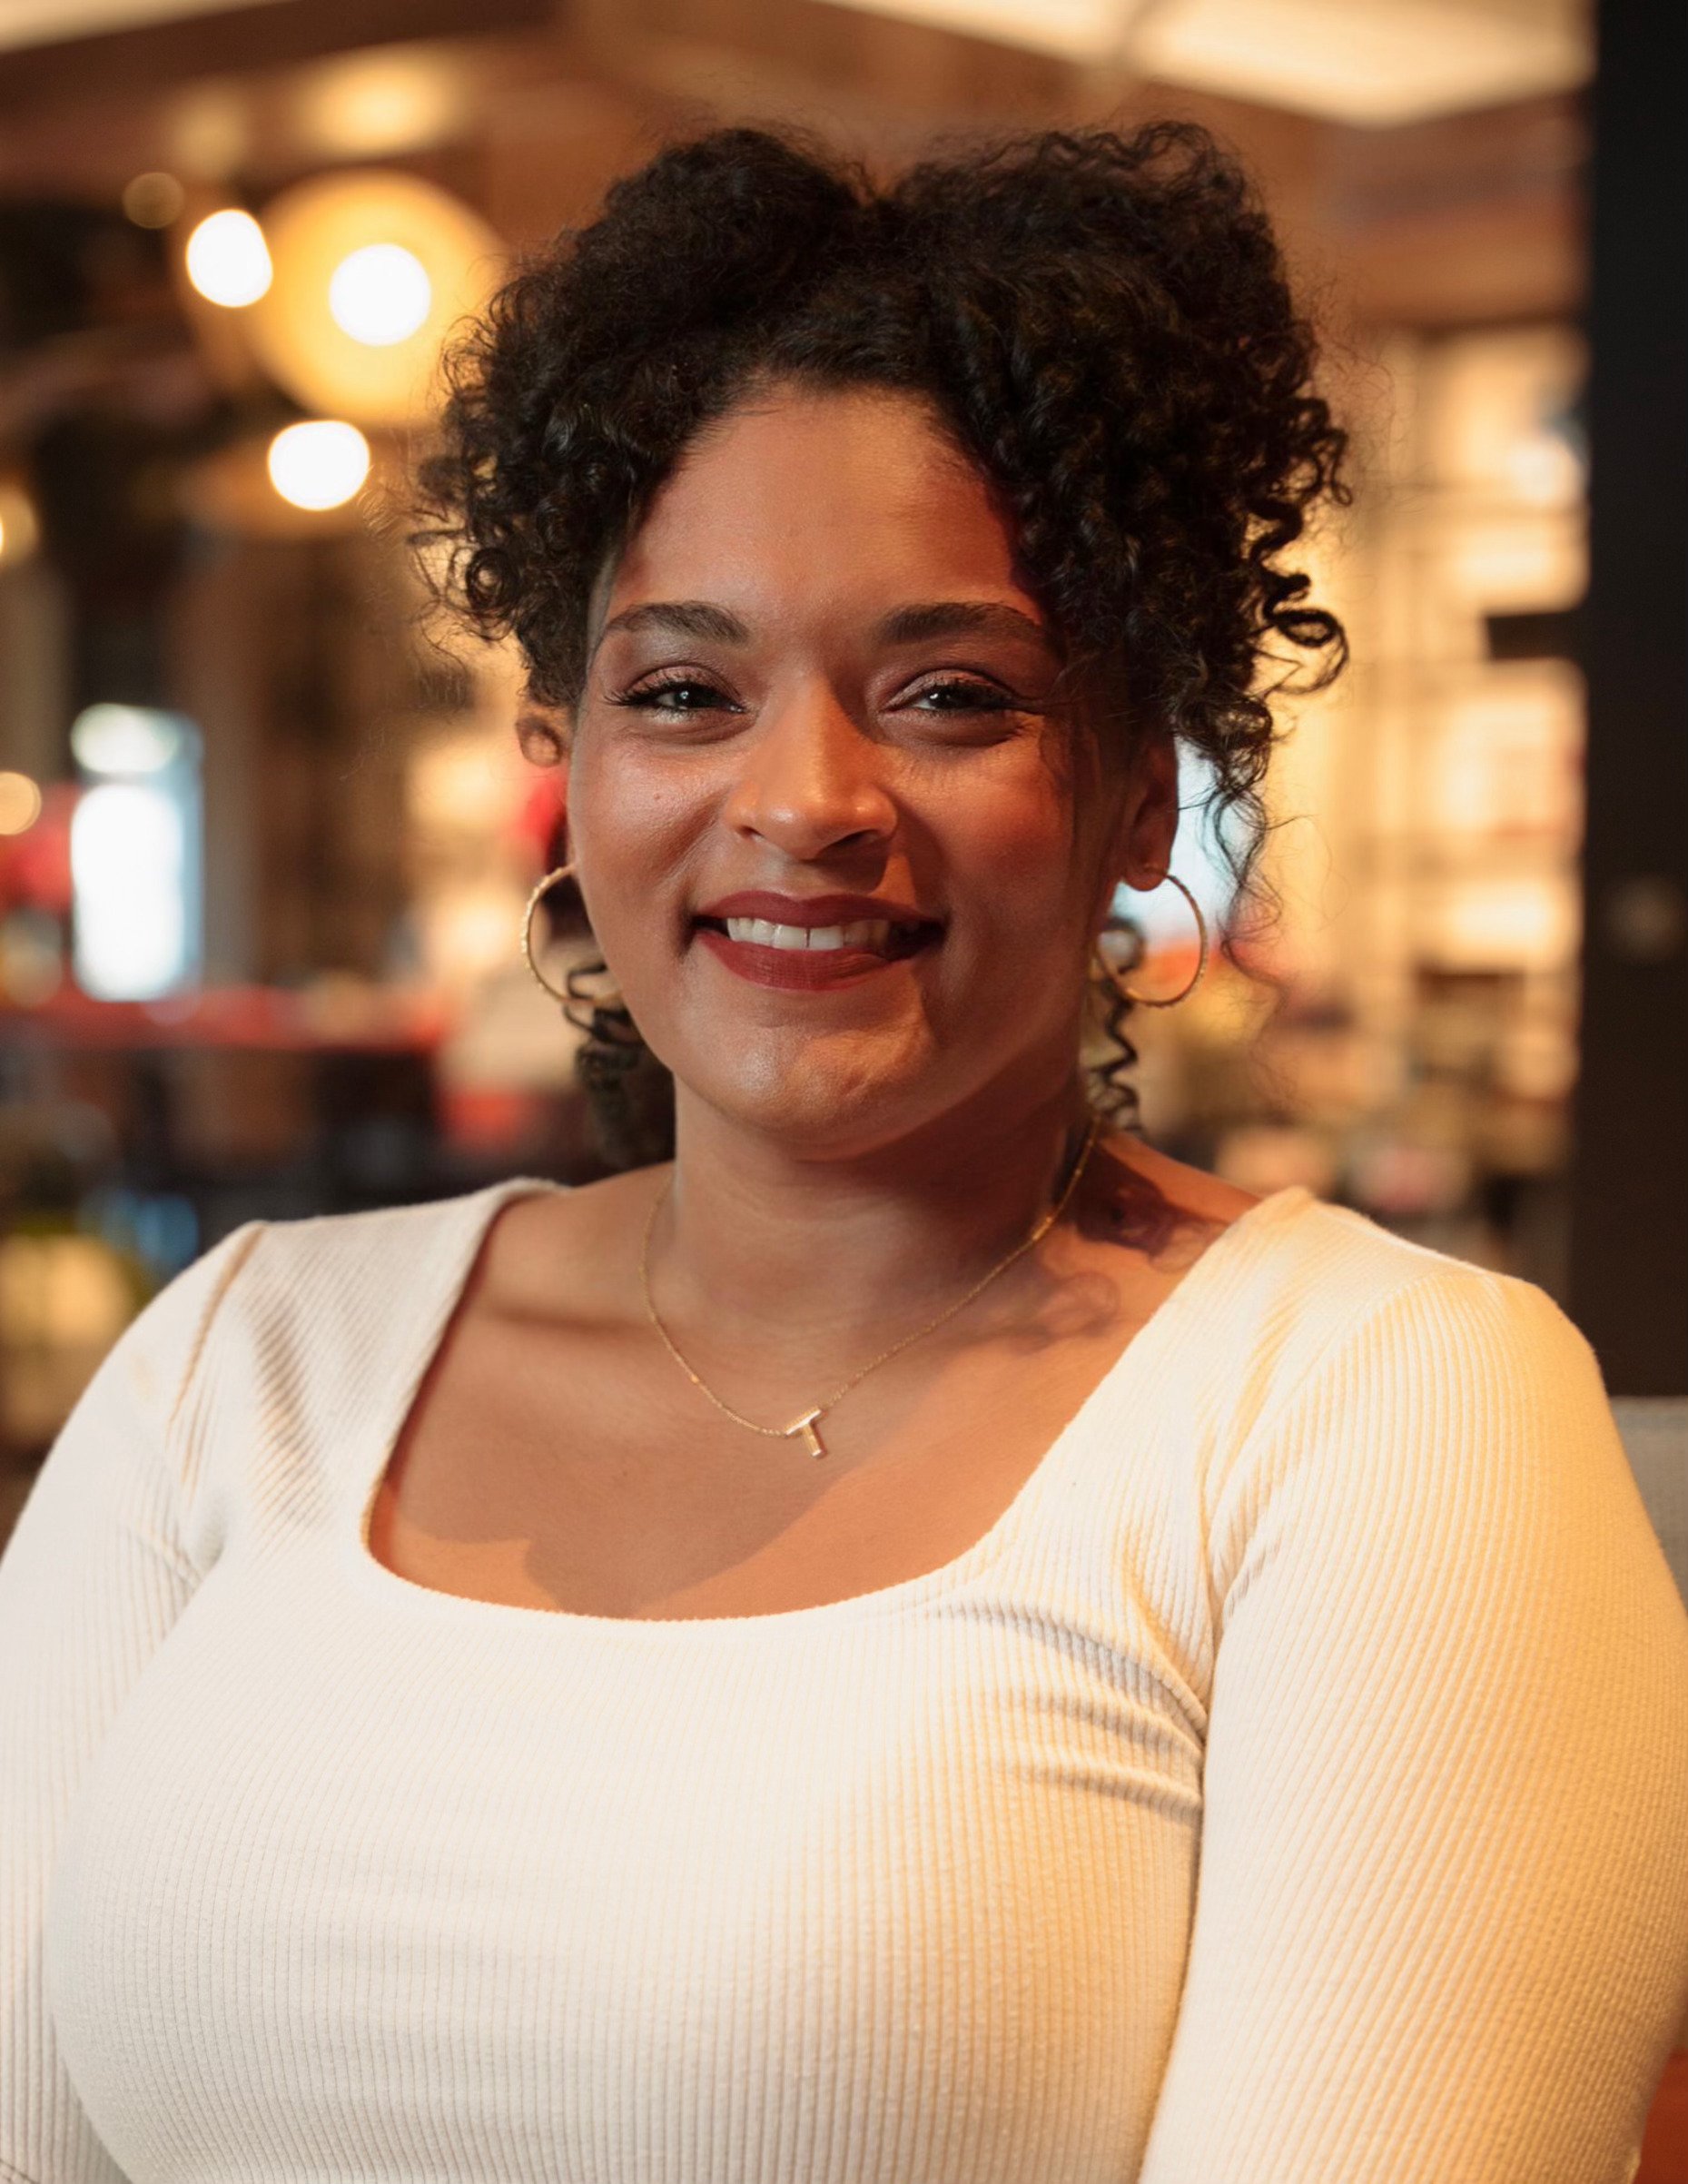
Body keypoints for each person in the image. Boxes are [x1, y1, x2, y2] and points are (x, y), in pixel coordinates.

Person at [4, 122, 1685, 2184]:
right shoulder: (237, 1363)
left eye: (952, 692)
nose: (803, 798)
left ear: (1144, 794)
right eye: (688, 688)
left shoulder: (1375, 1410)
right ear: (578, 767)